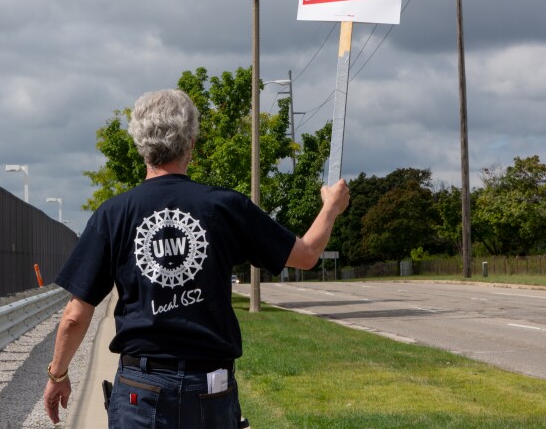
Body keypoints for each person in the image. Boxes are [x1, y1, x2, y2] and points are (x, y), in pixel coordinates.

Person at [43, 89, 350, 428]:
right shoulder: (225, 207)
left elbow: (74, 316)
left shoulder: (113, 215)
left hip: (139, 390)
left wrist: (57, 374)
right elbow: (306, 255)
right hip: (210, 389)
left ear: (140, 145)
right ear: (191, 143)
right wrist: (331, 208)